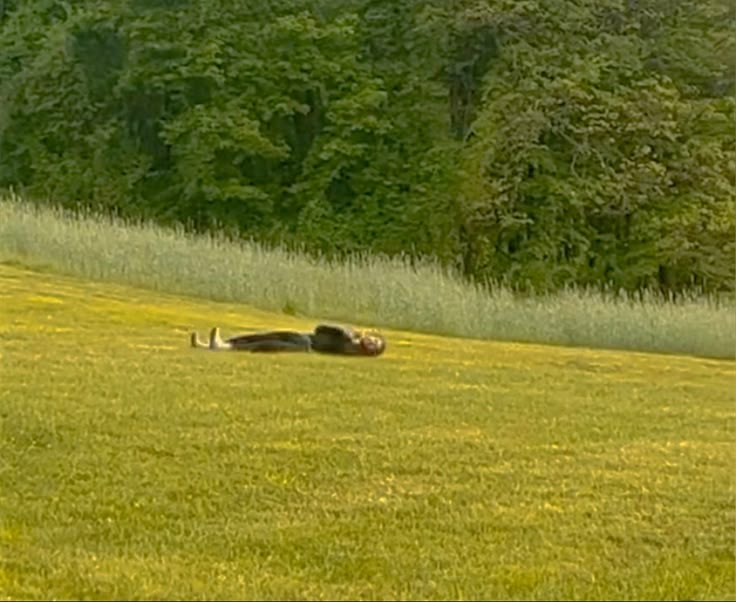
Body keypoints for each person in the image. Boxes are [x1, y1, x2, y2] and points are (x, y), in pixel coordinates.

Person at [190, 324, 386, 356]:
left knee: (269, 344)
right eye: (374, 339)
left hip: (305, 346)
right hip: (304, 337)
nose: (371, 341)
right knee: (265, 336)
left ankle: (225, 347)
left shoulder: (351, 350)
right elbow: (319, 328)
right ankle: (215, 344)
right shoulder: (348, 336)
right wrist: (346, 331)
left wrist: (347, 336)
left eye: (374, 345)